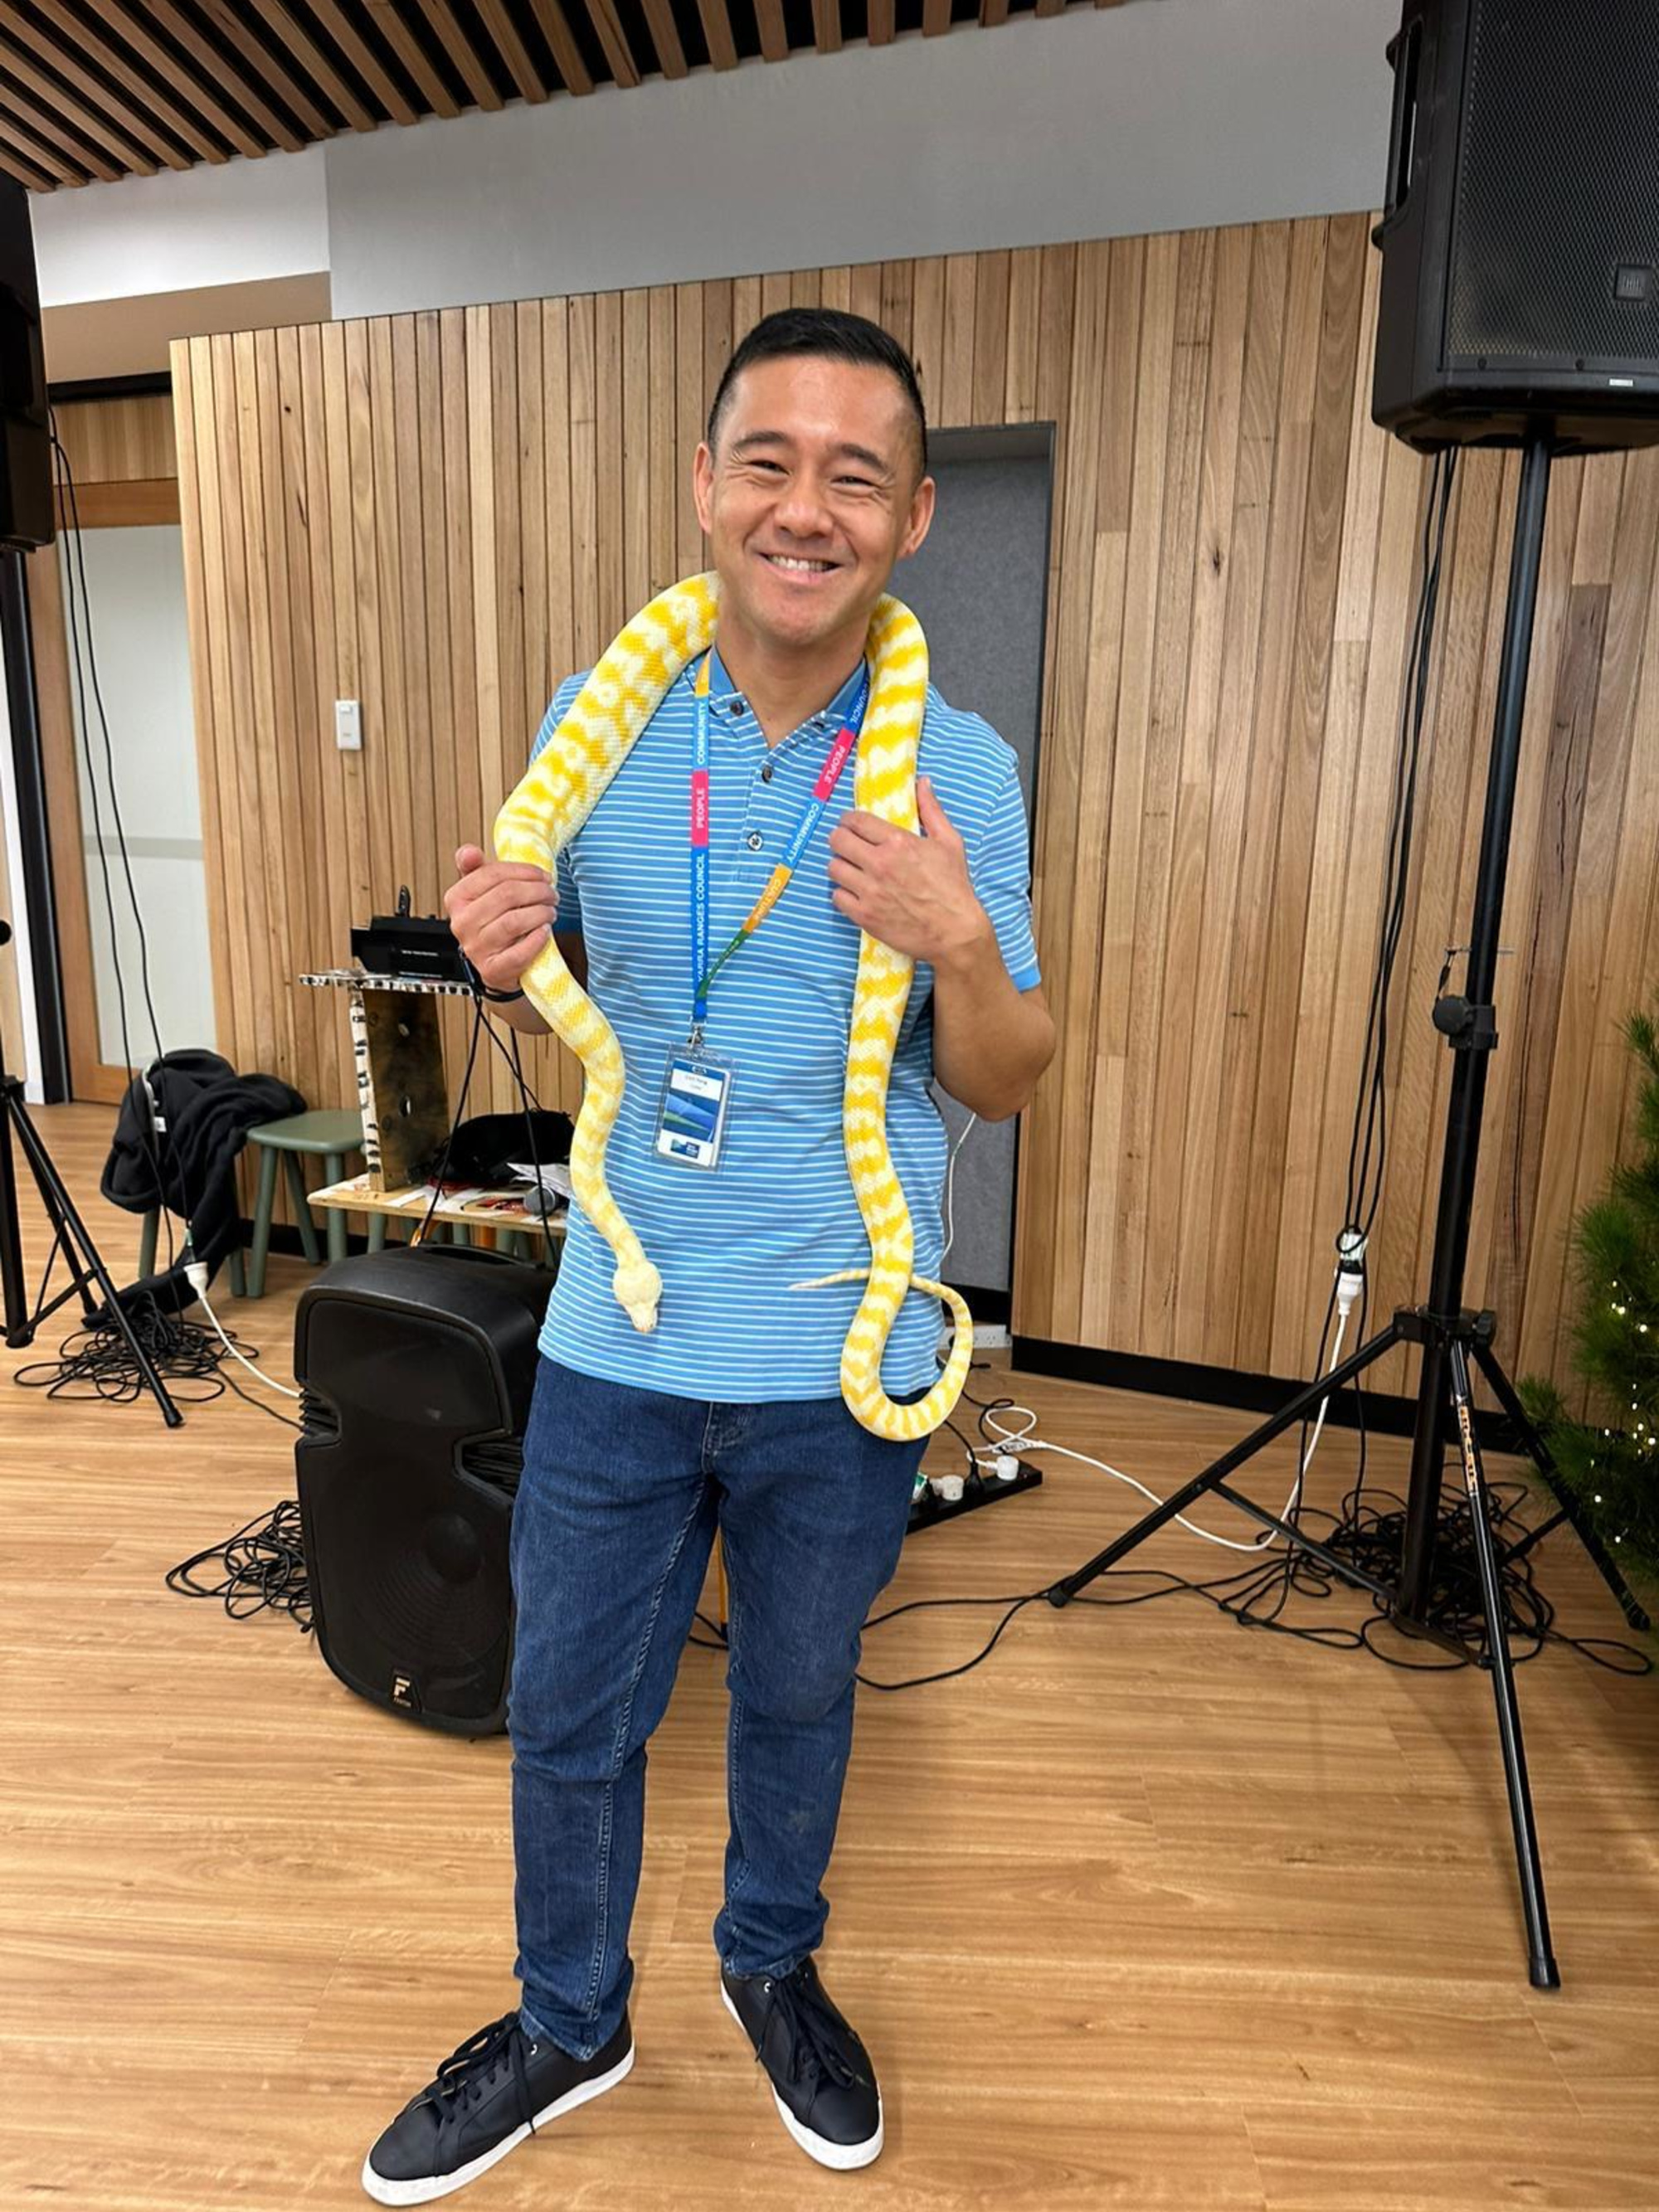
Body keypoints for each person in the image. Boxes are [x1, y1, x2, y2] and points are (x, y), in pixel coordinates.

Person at [362, 309, 1055, 2204]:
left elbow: (1003, 1078)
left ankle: (767, 1960)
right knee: (573, 1705)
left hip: (838, 1355)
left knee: (799, 1692)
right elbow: (558, 979)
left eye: (856, 475)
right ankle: (568, 2016)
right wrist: (497, 946)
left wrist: (960, 937)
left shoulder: (956, 770)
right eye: (768, 460)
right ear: (702, 485)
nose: (805, 507)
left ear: (911, 517)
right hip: (617, 1327)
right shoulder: (598, 730)